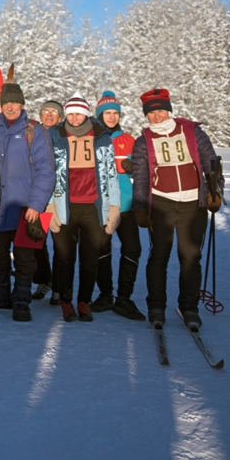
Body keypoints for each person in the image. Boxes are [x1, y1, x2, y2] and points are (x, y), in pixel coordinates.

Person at [131, 88, 221, 328]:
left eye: (161, 111)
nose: (157, 116)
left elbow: (211, 163)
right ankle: (156, 306)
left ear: (169, 110)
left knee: (190, 256)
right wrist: (139, 207)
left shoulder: (192, 132)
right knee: (159, 255)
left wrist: (215, 191)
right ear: (146, 115)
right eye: (152, 113)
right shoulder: (143, 142)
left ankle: (189, 307)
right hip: (161, 203)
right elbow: (140, 178)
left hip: (193, 203)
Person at [0, 79, 56, 322]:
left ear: (23, 104)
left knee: (26, 258)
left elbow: (46, 171)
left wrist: (37, 205)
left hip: (28, 208)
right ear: (1, 104)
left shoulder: (35, 131)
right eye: (7, 103)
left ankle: (21, 301)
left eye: (15, 102)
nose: (11, 107)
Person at [45, 95, 120, 322]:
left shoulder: (102, 137)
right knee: (65, 258)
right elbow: (45, 172)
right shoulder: (55, 136)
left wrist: (114, 207)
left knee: (90, 259)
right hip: (63, 205)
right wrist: (48, 206)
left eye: (79, 113)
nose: (75, 119)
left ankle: (84, 302)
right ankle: (66, 302)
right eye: (71, 114)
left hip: (93, 207)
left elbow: (111, 174)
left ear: (87, 114)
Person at [90, 91, 145, 321]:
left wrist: (135, 167)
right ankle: (105, 295)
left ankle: (124, 297)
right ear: (99, 115)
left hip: (126, 203)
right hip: (100, 204)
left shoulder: (129, 140)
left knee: (132, 249)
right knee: (101, 249)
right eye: (107, 113)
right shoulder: (90, 138)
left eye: (115, 113)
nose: (112, 117)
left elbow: (146, 170)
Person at [34, 99, 64, 304]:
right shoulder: (34, 134)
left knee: (61, 245)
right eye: (46, 111)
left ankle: (59, 287)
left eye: (54, 112)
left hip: (61, 199)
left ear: (60, 117)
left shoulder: (66, 135)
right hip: (39, 197)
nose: (49, 115)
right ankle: (44, 279)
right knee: (37, 242)